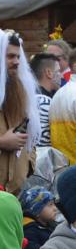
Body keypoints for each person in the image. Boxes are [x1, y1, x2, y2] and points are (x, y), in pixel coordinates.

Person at [0, 31, 40, 194]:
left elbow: (31, 136)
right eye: (10, 56)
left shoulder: (22, 92)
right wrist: (2, 142)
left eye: (18, 57)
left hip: (15, 193)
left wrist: (29, 165)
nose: (16, 62)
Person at [19, 184, 58, 249]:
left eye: (54, 204)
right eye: (50, 205)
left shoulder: (51, 225)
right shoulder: (29, 231)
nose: (55, 208)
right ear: (36, 210)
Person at [30, 52, 61, 148]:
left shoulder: (29, 95)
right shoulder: (42, 101)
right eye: (58, 71)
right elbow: (42, 143)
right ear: (49, 73)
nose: (62, 76)